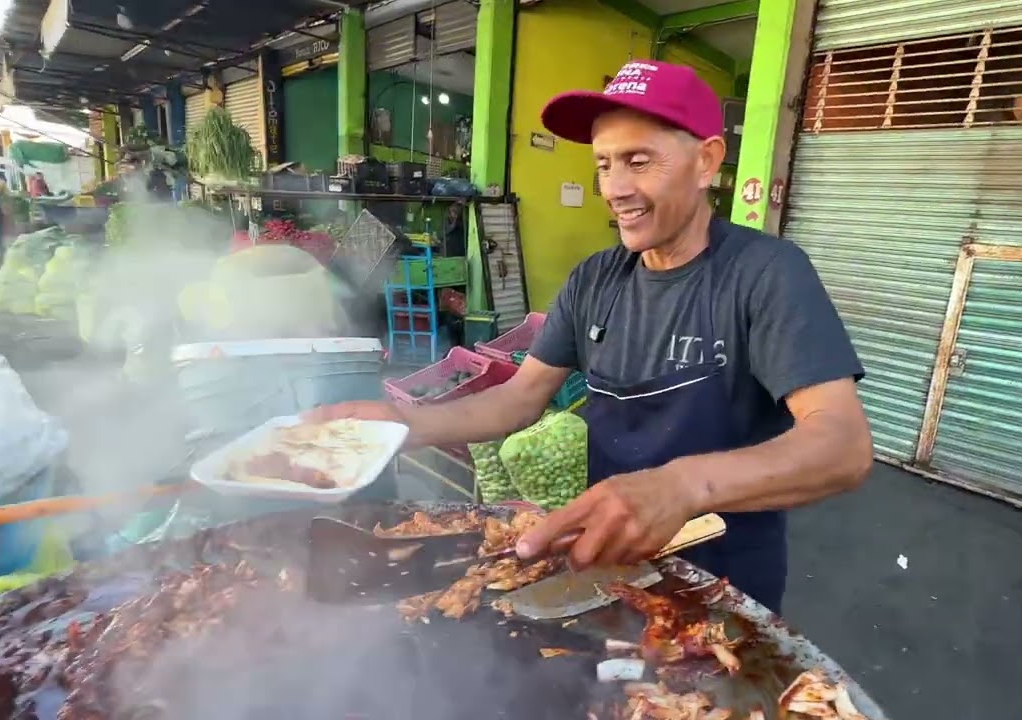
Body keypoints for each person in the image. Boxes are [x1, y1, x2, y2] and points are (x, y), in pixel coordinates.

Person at [307, 60, 874, 613]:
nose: (615, 188)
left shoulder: (765, 274)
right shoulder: (595, 278)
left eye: (639, 161)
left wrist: (681, 486)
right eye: (604, 164)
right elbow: (520, 397)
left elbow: (842, 447)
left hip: (722, 580)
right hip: (609, 566)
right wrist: (405, 424)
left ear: (706, 162)